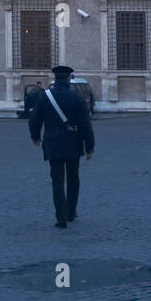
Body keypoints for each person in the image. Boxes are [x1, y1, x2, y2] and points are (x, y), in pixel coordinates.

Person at [29, 65, 95, 228]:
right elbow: (86, 123)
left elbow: (35, 119)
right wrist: (89, 146)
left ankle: (61, 218)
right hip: (73, 142)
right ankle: (71, 212)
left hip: (53, 143)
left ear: (55, 79)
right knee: (73, 178)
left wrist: (35, 136)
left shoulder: (45, 97)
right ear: (68, 79)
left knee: (57, 181)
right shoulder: (77, 97)